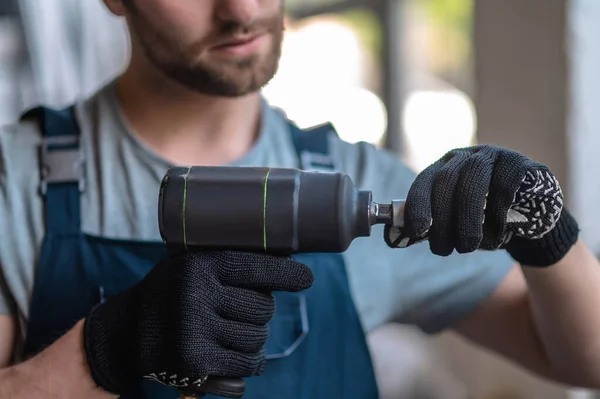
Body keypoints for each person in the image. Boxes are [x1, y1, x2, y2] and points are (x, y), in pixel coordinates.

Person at [0, 0, 599, 398]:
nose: (242, 9)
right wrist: (102, 350)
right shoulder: (16, 181)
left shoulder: (361, 180)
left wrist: (547, 233)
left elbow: (585, 361)